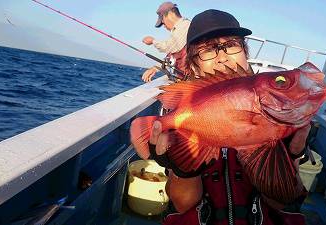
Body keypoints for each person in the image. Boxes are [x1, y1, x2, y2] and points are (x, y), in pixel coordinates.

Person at [133, 9, 311, 225]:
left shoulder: (274, 105)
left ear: (245, 52)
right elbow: (183, 204)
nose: (222, 56)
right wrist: (183, 169)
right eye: (207, 50)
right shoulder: (181, 116)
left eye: (231, 45)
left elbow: (279, 202)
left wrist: (291, 155)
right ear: (193, 64)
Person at [141, 2, 191, 82]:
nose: (163, 25)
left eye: (162, 21)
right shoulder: (177, 31)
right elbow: (171, 58)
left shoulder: (185, 25)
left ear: (170, 14)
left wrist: (153, 41)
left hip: (190, 82)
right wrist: (156, 68)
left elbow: (169, 47)